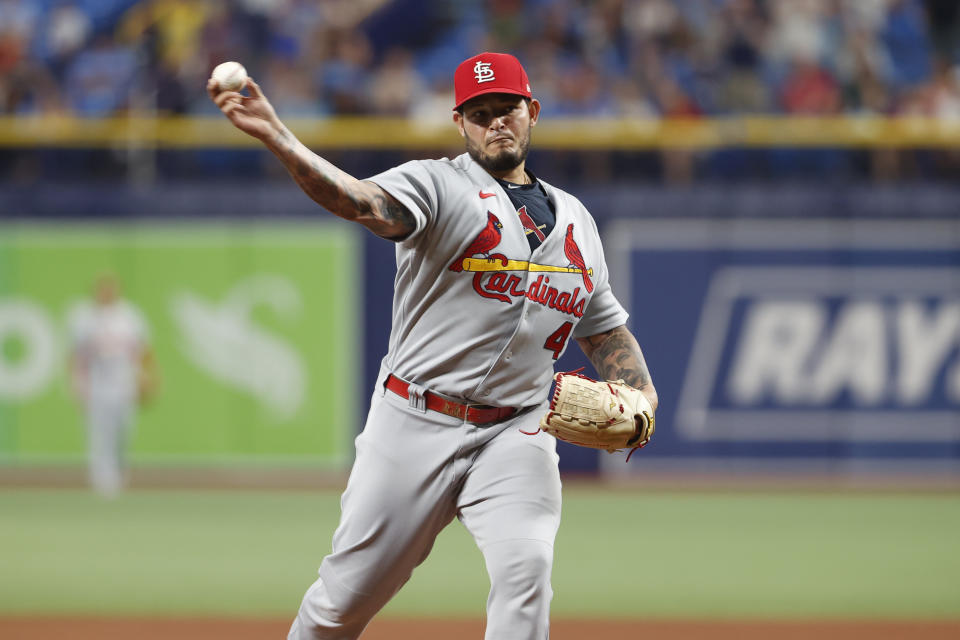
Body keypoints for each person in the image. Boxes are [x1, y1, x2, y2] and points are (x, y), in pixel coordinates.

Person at [208, 51, 658, 639]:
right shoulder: (437, 184)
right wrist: (280, 137)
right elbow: (363, 203)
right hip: (414, 421)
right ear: (461, 122)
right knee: (340, 607)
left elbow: (602, 325)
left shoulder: (576, 220)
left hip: (515, 431)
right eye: (481, 112)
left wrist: (639, 389)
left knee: (527, 566)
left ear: (533, 112)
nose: (496, 121)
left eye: (508, 109)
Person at [68, 273, 157, 497]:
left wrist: (147, 376)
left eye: (110, 289)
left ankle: (119, 473)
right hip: (98, 385)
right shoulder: (85, 318)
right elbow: (77, 355)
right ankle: (102, 480)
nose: (106, 293)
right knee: (99, 433)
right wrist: (78, 383)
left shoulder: (130, 316)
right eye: (102, 289)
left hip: (124, 383)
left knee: (123, 431)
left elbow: (143, 349)